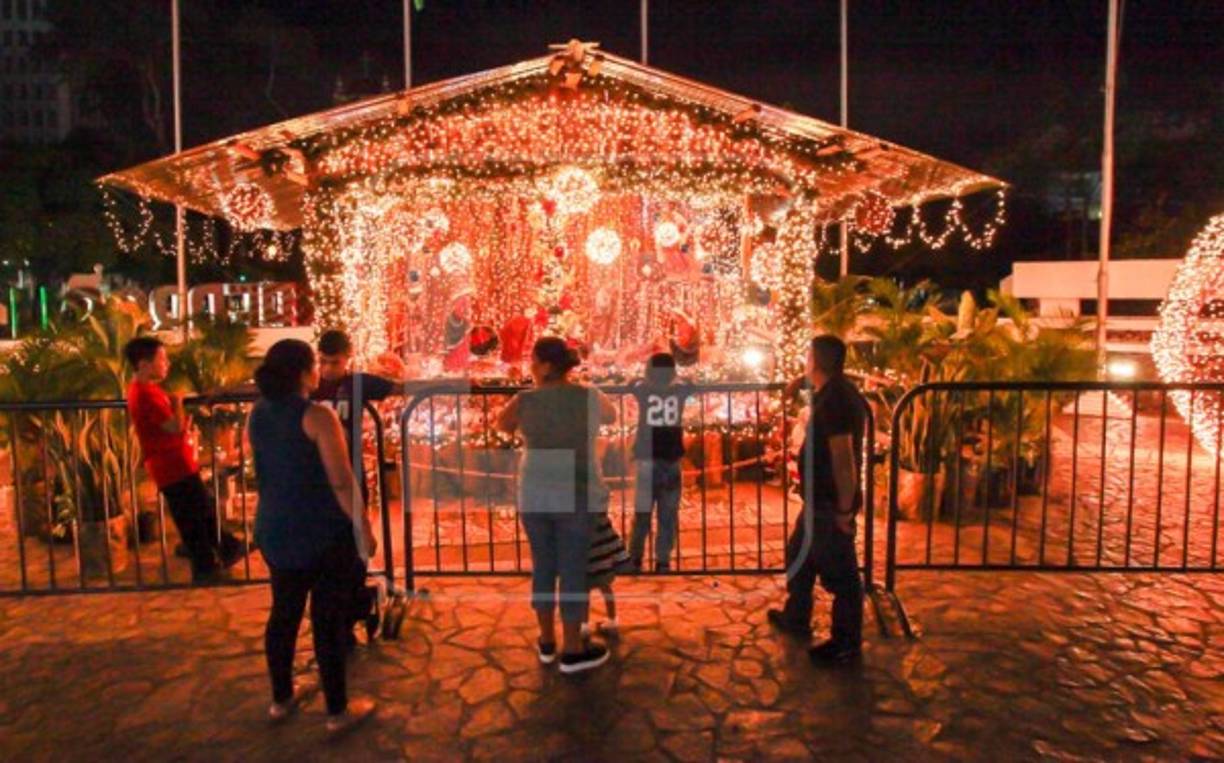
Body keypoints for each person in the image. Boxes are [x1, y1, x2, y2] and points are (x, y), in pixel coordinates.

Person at [248, 339, 378, 732]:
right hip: (321, 532)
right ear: (305, 372)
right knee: (328, 619)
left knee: (284, 613)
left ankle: (281, 699)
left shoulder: (257, 412)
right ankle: (337, 711)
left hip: (275, 528)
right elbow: (341, 481)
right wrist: (363, 526)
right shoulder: (318, 416)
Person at [497, 337, 617, 674]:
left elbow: (502, 425)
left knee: (544, 566)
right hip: (576, 488)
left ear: (547, 366)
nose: (530, 367)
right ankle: (573, 648)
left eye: (533, 361)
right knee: (573, 568)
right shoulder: (588, 396)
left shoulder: (524, 400)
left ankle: (547, 640)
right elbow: (611, 415)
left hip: (535, 489)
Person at [768, 335, 868, 665]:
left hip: (829, 503)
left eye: (807, 356)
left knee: (842, 575)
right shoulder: (834, 391)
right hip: (818, 500)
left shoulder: (835, 401)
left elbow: (843, 458)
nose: (804, 361)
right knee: (799, 555)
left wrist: (844, 510)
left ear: (815, 360)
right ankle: (796, 616)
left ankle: (846, 642)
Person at [124, 337, 242, 583]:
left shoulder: (146, 390)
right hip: (171, 463)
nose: (167, 364)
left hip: (174, 462)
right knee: (192, 516)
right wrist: (178, 404)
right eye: (162, 359)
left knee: (199, 509)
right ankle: (207, 566)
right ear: (144, 364)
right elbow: (173, 426)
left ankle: (226, 549)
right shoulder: (144, 393)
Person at [313, 329, 403, 646]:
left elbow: (398, 387)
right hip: (318, 482)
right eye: (323, 362)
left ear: (347, 359)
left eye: (334, 363)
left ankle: (350, 616)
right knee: (327, 553)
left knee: (354, 552)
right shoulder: (309, 385)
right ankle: (344, 615)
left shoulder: (356, 384)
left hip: (350, 476)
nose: (327, 369)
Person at [628, 353, 694, 572]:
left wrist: (643, 380)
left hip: (647, 458)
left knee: (642, 514)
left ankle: (635, 557)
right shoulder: (680, 391)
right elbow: (691, 384)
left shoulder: (644, 391)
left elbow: (631, 383)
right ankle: (663, 560)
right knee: (668, 514)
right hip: (671, 458)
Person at [583, 493, 632, 638]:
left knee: (584, 595)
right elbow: (614, 542)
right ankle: (612, 620)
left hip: (586, 566)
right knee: (607, 590)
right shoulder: (603, 522)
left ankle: (583, 626)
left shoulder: (579, 524)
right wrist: (623, 559)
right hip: (604, 565)